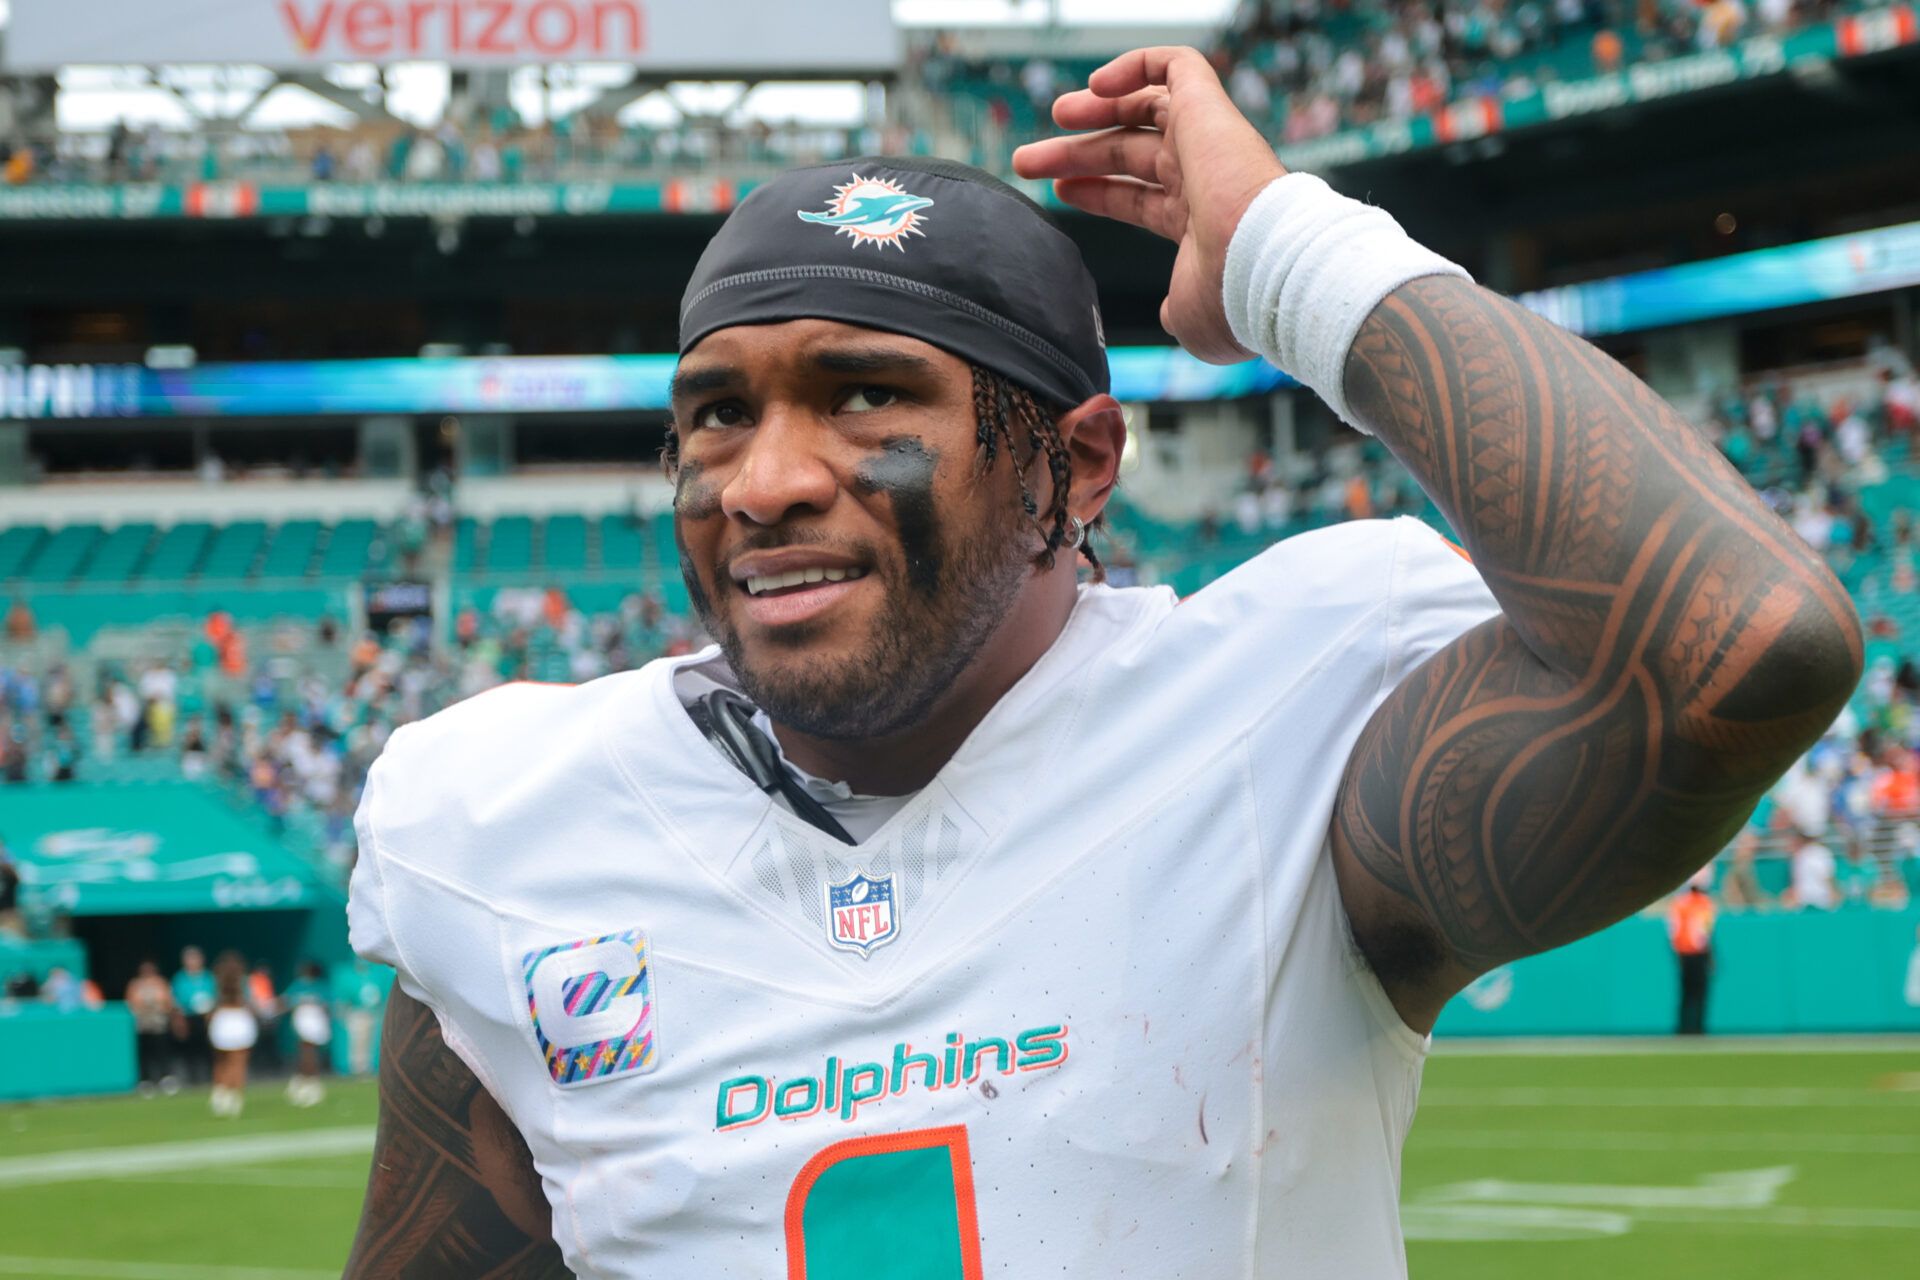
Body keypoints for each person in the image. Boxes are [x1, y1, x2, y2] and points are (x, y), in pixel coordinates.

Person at [341, 49, 1861, 1277]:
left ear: (1073, 470)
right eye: (717, 413)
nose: (763, 480)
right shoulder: (505, 827)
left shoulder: (1281, 731)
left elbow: (1741, 642)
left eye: (868, 397)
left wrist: (1289, 254)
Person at [207, 950, 258, 1118]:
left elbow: (212, 1004)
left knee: (221, 1060)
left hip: (223, 1019)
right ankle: (234, 1096)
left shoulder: (217, 981)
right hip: (239, 1019)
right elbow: (251, 1003)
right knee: (238, 1061)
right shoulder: (243, 982)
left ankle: (220, 1092)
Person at [1667, 877, 1716, 1034]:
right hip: (1697, 953)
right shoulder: (1704, 903)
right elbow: (1704, 933)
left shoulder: (1680, 903)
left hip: (1683, 953)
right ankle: (1696, 1027)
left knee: (1687, 993)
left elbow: (1673, 930)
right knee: (1698, 993)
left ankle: (1685, 1027)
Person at [124, 959, 178, 1095]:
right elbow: (132, 1002)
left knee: (161, 1051)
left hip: (158, 1024)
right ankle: (146, 1081)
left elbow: (167, 1002)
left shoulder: (160, 982)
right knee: (145, 1054)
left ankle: (166, 1078)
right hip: (143, 1025)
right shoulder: (135, 984)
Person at [285, 960, 333, 1107]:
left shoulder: (320, 986)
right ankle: (304, 1078)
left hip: (315, 1023)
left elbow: (328, 1005)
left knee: (310, 1052)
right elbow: (287, 1001)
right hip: (302, 1023)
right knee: (305, 1051)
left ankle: (312, 1081)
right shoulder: (298, 985)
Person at [170, 945, 215, 1084]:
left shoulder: (208, 977)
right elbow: (175, 1000)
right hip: (188, 1017)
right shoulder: (179, 978)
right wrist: (178, 1020)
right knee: (191, 1050)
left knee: (208, 1049)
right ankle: (192, 1079)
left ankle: (209, 1078)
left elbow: (215, 996)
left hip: (207, 1017)